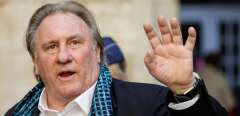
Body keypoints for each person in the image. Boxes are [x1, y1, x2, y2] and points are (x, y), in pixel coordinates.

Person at [5, 1, 227, 116]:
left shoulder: (148, 105)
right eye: (51, 47)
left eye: (74, 42)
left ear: (98, 52)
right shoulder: (16, 114)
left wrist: (185, 89)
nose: (63, 56)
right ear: (35, 61)